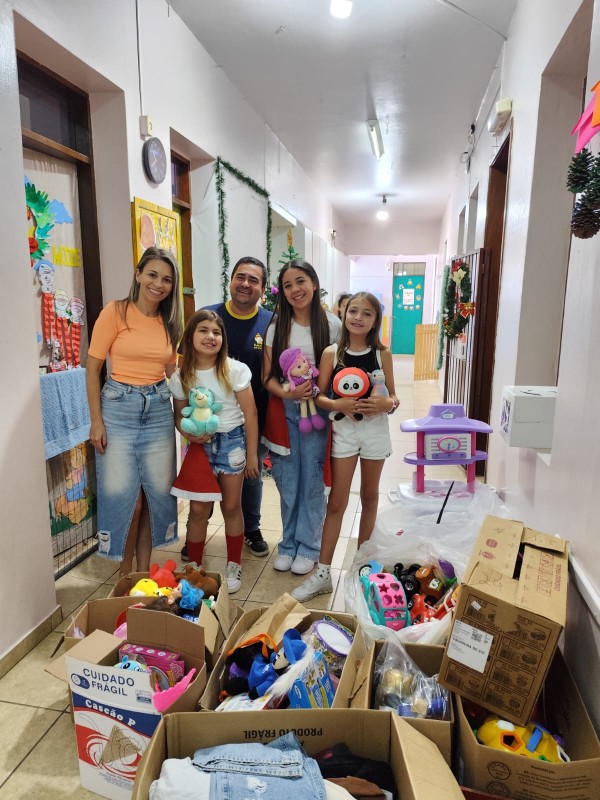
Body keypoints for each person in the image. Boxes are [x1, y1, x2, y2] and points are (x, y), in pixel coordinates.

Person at [291, 292, 399, 602]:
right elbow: (319, 394)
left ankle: (360, 569)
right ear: (343, 313)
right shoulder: (332, 353)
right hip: (344, 432)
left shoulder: (382, 354)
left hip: (375, 432)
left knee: (370, 496)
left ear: (375, 321)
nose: (358, 318)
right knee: (337, 501)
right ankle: (323, 572)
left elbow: (393, 397)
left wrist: (388, 403)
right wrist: (338, 404)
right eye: (353, 311)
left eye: (367, 313)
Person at [86, 247, 183, 574]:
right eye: (152, 274)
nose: (159, 284)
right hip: (118, 410)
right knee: (130, 502)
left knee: (153, 500)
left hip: (158, 410)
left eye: (167, 279)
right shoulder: (115, 312)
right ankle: (124, 578)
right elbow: (92, 369)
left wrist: (185, 417)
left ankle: (144, 573)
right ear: (138, 274)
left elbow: (171, 374)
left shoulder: (171, 321)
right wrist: (96, 422)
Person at [182, 256, 272, 559]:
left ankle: (252, 529)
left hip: (253, 415)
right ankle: (197, 531)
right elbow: (184, 363)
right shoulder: (210, 317)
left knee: (251, 476)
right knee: (203, 482)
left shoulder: (269, 322)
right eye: (240, 277)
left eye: (253, 280)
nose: (245, 284)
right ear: (231, 280)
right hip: (207, 421)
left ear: (262, 288)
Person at [170, 309, 258, 594]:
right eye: (203, 330)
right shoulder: (181, 376)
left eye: (216, 332)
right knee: (198, 509)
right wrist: (188, 434)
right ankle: (194, 567)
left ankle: (234, 564)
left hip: (232, 444)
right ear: (190, 336)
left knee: (231, 506)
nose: (210, 336)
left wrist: (252, 455)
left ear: (223, 339)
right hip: (199, 449)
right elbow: (179, 416)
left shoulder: (235, 370)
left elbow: (250, 414)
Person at [262, 259, 342, 575]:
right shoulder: (277, 327)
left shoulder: (332, 325)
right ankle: (287, 545)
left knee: (312, 481)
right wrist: (288, 394)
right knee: (288, 481)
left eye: (300, 281)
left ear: (314, 283)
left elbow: (342, 372)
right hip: (284, 412)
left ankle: (309, 547)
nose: (295, 289)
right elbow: (267, 377)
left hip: (318, 412)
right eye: (288, 285)